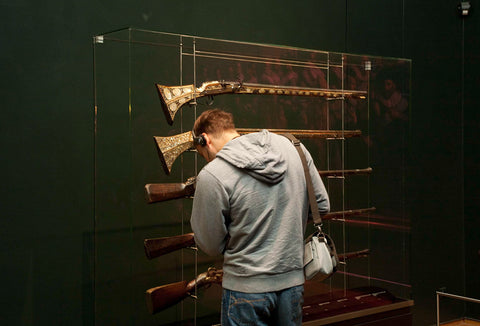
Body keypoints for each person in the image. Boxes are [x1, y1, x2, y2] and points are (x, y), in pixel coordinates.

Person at [190, 109, 330, 326]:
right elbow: (321, 205)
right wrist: (286, 222)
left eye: (203, 154)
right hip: (292, 285)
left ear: (205, 140)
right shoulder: (295, 147)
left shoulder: (212, 174)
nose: (207, 159)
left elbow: (210, 245)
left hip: (244, 289)